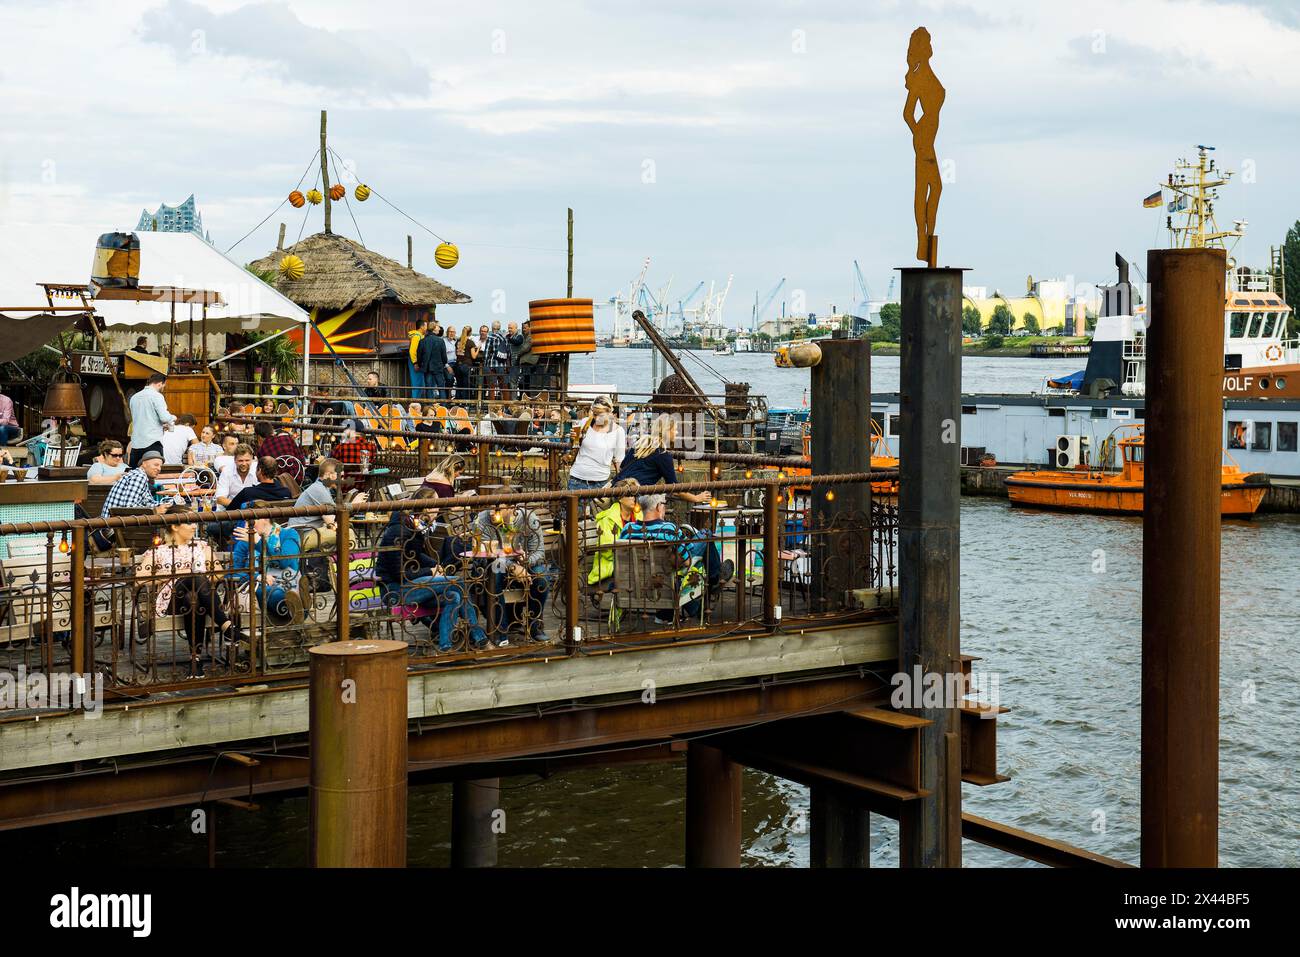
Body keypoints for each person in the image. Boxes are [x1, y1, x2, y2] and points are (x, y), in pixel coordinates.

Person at [137, 521, 242, 675]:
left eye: (194, 522)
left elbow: (218, 573)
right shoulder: (158, 551)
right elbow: (138, 579)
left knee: (193, 598)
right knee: (194, 577)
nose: (194, 526)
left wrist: (197, 577)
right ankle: (226, 625)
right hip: (170, 601)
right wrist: (178, 573)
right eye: (189, 522)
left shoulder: (201, 546)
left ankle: (195, 661)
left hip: (199, 599)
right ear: (174, 526)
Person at [376, 507, 487, 651]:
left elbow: (416, 555)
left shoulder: (411, 528)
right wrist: (430, 571)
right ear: (425, 509)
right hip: (396, 591)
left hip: (410, 586)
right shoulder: (398, 532)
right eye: (435, 506)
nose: (438, 510)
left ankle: (446, 646)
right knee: (457, 582)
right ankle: (478, 635)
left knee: (453, 596)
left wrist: (436, 566)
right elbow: (400, 574)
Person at [619, 491, 733, 620]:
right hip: (665, 581)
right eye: (664, 504)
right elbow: (687, 562)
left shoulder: (627, 529)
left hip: (638, 583)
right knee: (705, 534)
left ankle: (710, 584)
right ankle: (715, 578)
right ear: (658, 506)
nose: (665, 507)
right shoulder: (668, 529)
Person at [472, 499, 551, 644]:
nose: (492, 512)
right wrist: (513, 567)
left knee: (542, 576)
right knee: (495, 573)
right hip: (494, 564)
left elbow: (539, 552)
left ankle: (534, 626)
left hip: (524, 563)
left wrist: (525, 563)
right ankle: (500, 631)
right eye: (491, 507)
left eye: (498, 509)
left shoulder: (529, 519)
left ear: (512, 508)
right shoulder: (481, 520)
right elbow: (484, 556)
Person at [614, 413, 711, 504]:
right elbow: (674, 489)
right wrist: (697, 498)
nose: (677, 432)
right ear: (668, 430)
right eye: (675, 429)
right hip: (635, 497)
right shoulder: (663, 455)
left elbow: (622, 467)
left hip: (617, 491)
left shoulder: (640, 444)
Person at [230, 516, 304, 625]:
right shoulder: (244, 542)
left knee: (281, 592)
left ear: (264, 518)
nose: (246, 525)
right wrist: (257, 577)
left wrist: (259, 542)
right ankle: (300, 608)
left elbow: (284, 561)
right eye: (245, 521)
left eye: (251, 521)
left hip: (287, 583)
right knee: (266, 591)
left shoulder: (289, 534)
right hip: (261, 586)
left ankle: (297, 606)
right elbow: (232, 573)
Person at [95, 449, 170, 550]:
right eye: (156, 465)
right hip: (116, 532)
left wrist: (166, 503)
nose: (159, 468)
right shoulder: (139, 477)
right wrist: (155, 510)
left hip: (117, 527)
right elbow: (130, 508)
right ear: (144, 464)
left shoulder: (137, 475)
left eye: (160, 466)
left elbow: (146, 502)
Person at [289, 458, 366, 552]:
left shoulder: (320, 487)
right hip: (302, 537)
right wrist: (354, 505)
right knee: (347, 533)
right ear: (329, 475)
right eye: (340, 476)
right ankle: (352, 564)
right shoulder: (319, 490)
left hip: (305, 532)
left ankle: (340, 563)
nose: (342, 479)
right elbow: (333, 523)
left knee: (345, 532)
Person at [569, 397, 626, 497]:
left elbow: (619, 459)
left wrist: (620, 481)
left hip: (601, 483)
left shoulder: (618, 431)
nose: (596, 418)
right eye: (594, 414)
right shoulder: (584, 422)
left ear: (610, 413)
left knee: (598, 513)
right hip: (576, 478)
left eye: (601, 415)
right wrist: (572, 439)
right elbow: (575, 445)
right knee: (572, 512)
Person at [588, 479, 641, 588]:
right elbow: (606, 551)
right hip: (611, 566)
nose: (634, 499)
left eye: (636, 495)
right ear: (620, 498)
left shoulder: (639, 515)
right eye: (631, 495)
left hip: (636, 562)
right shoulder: (608, 519)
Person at [127, 373, 175, 467]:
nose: (163, 388)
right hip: (152, 442)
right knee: (154, 474)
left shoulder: (134, 397)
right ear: (160, 384)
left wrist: (160, 425)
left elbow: (142, 418)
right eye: (164, 385)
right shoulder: (157, 396)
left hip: (136, 443)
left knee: (135, 472)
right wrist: (172, 418)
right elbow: (164, 417)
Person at [226, 456, 294, 511]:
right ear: (275, 472)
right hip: (280, 526)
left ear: (260, 470)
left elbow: (229, 512)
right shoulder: (286, 492)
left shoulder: (247, 493)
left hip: (253, 527)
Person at [418, 319, 452, 401]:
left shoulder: (422, 341)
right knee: (441, 388)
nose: (439, 329)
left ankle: (430, 406)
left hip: (427, 368)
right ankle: (443, 406)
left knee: (429, 388)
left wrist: (420, 365)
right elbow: (444, 356)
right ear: (433, 329)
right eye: (437, 327)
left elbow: (419, 355)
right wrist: (444, 363)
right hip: (438, 367)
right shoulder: (440, 341)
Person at [214, 443, 257, 508]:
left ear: (252, 459)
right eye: (240, 461)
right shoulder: (227, 471)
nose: (244, 464)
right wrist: (241, 506)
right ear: (234, 460)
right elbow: (220, 498)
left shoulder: (257, 470)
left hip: (255, 509)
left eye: (247, 460)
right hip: (233, 509)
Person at [484, 320, 508, 400]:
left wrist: (485, 364)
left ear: (492, 328)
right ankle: (506, 406)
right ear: (499, 328)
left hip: (492, 365)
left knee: (492, 387)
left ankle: (492, 406)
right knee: (503, 386)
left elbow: (487, 353)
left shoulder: (490, 337)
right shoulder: (504, 338)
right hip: (502, 364)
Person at [408, 317, 427, 400]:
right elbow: (412, 351)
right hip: (415, 362)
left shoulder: (420, 336)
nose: (426, 328)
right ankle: (415, 404)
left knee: (419, 383)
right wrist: (415, 363)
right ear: (422, 327)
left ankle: (417, 402)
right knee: (416, 383)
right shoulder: (416, 336)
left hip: (417, 362)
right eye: (426, 326)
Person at [517, 320, 539, 394]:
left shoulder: (530, 337)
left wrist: (517, 353)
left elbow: (525, 348)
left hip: (528, 362)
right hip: (527, 363)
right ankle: (525, 396)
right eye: (523, 328)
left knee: (523, 382)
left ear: (530, 327)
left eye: (525, 328)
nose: (523, 329)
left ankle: (525, 397)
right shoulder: (527, 337)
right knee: (525, 382)